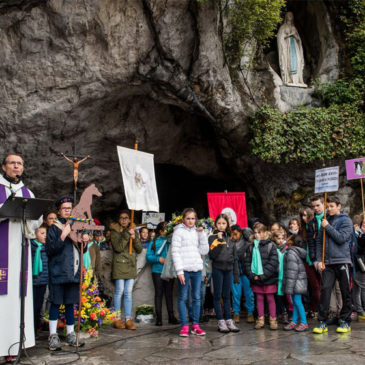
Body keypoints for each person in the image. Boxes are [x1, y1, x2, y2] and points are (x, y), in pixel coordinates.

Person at [0, 153, 41, 362]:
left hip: (21, 252)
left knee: (18, 298)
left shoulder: (27, 192)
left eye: (20, 164)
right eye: (12, 163)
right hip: (2, 252)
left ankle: (14, 347)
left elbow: (35, 224)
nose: (16, 166)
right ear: (4, 167)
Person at [46, 197, 85, 351]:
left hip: (73, 272)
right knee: (55, 303)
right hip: (58, 271)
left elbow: (82, 250)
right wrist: (63, 235)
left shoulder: (77, 226)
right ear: (59, 210)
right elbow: (50, 249)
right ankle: (53, 335)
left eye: (70, 208)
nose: (67, 210)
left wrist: (85, 242)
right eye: (64, 208)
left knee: (70, 303)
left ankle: (70, 333)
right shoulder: (54, 228)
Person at [313, 196, 353, 334]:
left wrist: (327, 227)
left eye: (331, 206)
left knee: (345, 291)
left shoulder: (346, 220)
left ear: (339, 206)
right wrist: (319, 260)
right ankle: (322, 320)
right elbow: (319, 242)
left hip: (342, 261)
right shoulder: (325, 221)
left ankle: (345, 320)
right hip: (328, 263)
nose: (329, 209)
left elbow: (341, 239)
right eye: (327, 206)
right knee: (325, 290)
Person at [171, 208, 209, 337]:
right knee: (183, 297)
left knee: (197, 297)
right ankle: (184, 325)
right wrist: (179, 271)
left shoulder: (197, 231)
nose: (191, 221)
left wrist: (202, 235)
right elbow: (175, 252)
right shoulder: (178, 232)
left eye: (193, 218)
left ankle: (196, 325)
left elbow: (204, 251)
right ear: (183, 219)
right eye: (188, 218)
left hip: (196, 269)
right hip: (184, 270)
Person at [243, 223, 279, 330]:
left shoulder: (270, 245)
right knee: (259, 298)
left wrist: (262, 276)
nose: (257, 235)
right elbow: (247, 262)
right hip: (255, 278)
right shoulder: (251, 246)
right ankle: (260, 319)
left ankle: (273, 319)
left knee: (270, 298)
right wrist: (252, 275)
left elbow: (273, 263)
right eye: (255, 233)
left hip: (268, 278)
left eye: (259, 232)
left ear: (265, 233)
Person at [110, 210, 142, 330]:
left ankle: (128, 319)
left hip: (131, 265)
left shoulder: (133, 230)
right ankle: (117, 318)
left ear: (129, 220)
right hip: (119, 265)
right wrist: (127, 235)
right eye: (122, 218)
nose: (124, 220)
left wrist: (134, 237)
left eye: (126, 218)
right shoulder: (115, 231)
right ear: (119, 219)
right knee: (119, 291)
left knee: (128, 293)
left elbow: (138, 249)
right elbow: (118, 247)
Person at [209, 214, 240, 333]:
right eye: (219, 223)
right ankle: (220, 321)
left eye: (223, 223)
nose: (221, 226)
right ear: (216, 225)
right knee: (217, 295)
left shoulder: (231, 238)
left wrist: (236, 275)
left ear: (227, 225)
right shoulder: (212, 237)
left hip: (229, 269)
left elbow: (235, 258)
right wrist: (220, 240)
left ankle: (229, 319)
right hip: (218, 268)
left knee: (227, 295)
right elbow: (213, 255)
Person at [146, 222, 179, 326]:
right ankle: (159, 318)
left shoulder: (171, 241)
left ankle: (171, 317)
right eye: (165, 229)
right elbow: (148, 257)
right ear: (160, 231)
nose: (167, 231)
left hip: (169, 271)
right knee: (158, 294)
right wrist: (158, 259)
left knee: (169, 294)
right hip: (157, 271)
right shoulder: (154, 242)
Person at [282, 231, 308, 332]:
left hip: (296, 283)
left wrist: (289, 287)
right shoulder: (295, 252)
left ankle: (304, 322)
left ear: (291, 242)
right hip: (298, 282)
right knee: (295, 302)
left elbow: (292, 272)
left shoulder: (291, 253)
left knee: (297, 301)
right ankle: (294, 321)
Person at [230, 225, 255, 324]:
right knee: (236, 294)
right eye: (232, 234)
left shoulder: (247, 243)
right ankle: (236, 313)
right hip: (235, 272)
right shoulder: (229, 242)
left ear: (240, 233)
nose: (234, 236)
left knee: (249, 293)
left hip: (246, 271)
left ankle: (250, 312)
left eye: (235, 234)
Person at [277, 11, 307, 87]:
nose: (290, 16)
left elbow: (298, 39)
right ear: (286, 17)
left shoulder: (294, 28)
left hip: (295, 47)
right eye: (289, 15)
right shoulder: (283, 27)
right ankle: (289, 79)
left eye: (291, 15)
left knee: (298, 60)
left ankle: (298, 80)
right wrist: (288, 37)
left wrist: (295, 37)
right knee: (289, 61)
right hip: (287, 48)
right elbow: (280, 38)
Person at [305, 196, 324, 315]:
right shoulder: (311, 222)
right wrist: (313, 259)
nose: (316, 208)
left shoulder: (329, 219)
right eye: (314, 206)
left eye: (318, 205)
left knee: (326, 286)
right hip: (313, 258)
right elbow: (311, 242)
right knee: (315, 287)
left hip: (326, 257)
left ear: (324, 204)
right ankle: (315, 309)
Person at [31, 226, 49, 335]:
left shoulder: (47, 248)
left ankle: (36, 330)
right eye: (42, 233)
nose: (45, 235)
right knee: (32, 307)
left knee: (39, 306)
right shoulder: (30, 247)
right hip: (31, 282)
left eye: (46, 233)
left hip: (42, 281)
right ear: (35, 234)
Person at [272, 229, 291, 324]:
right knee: (278, 296)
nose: (280, 240)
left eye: (282, 238)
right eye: (278, 238)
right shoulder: (273, 249)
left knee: (286, 296)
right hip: (276, 276)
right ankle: (282, 313)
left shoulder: (287, 249)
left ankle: (287, 313)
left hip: (285, 276)